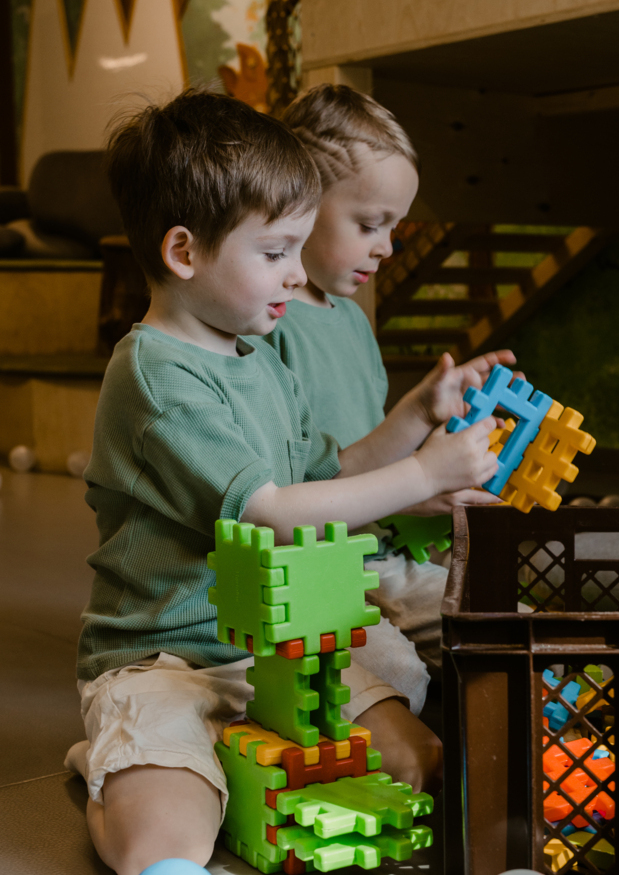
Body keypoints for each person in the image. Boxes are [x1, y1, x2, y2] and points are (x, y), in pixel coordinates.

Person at [64, 89, 500, 875]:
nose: (297, 275)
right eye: (276, 252)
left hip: (279, 643)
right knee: (170, 843)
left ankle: (216, 770)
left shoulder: (254, 353)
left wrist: (411, 421)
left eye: (301, 248)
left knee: (418, 765)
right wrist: (422, 471)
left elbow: (325, 470)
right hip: (167, 656)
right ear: (184, 252)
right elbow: (271, 514)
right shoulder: (157, 376)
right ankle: (119, 768)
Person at [262, 83, 515, 676]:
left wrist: (424, 422)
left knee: (516, 628)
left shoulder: (351, 321)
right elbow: (286, 499)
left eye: (393, 226)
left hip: (381, 554)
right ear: (298, 202)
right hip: (315, 571)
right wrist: (419, 478)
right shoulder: (268, 325)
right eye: (371, 223)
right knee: (406, 674)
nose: (388, 247)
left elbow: (368, 467)